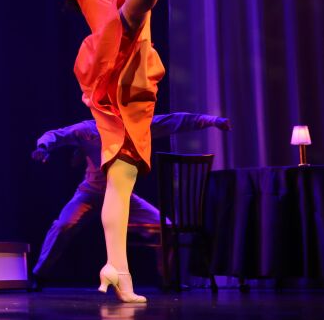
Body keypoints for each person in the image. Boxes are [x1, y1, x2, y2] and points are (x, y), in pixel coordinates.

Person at [55, 0, 185, 302]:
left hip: (138, 82)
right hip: (110, 68)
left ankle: (117, 268)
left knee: (121, 181)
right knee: (137, 3)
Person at [31, 112, 229, 285]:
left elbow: (176, 121)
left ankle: (166, 279)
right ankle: (39, 275)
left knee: (166, 228)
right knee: (64, 225)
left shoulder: (137, 129)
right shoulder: (87, 129)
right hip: (90, 194)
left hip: (122, 197)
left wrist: (212, 120)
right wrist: (43, 147)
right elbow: (55, 135)